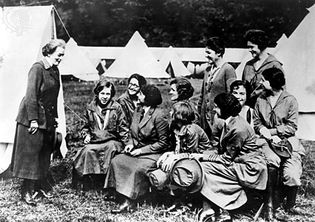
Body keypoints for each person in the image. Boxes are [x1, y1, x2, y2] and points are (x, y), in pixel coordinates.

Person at [190, 93, 268, 221]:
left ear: (224, 109)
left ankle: (221, 205)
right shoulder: (232, 121)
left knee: (204, 167)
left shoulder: (238, 129)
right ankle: (216, 205)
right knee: (205, 166)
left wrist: (201, 156)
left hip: (250, 169)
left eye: (217, 107)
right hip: (240, 163)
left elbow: (226, 159)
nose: (214, 110)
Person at [10, 39, 66, 206]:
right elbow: (31, 96)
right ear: (49, 53)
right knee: (31, 155)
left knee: (43, 152)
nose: (61, 58)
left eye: (63, 55)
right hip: (31, 118)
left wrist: (54, 116)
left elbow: (53, 97)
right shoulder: (37, 68)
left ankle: (39, 186)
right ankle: (26, 191)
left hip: (47, 117)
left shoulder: (55, 70)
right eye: (59, 55)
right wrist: (33, 120)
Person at [105, 84, 170, 213]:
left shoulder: (159, 115)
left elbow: (163, 143)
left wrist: (141, 151)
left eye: (140, 93)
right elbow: (132, 132)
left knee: (136, 168)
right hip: (137, 149)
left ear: (148, 98)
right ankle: (117, 192)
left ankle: (129, 202)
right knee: (117, 160)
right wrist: (130, 144)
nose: (138, 95)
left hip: (153, 153)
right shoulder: (138, 110)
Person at [253, 67, 305, 219]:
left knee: (292, 173)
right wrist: (264, 131)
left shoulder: (290, 100)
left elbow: (292, 126)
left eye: (264, 80)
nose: (261, 82)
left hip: (287, 141)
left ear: (271, 82)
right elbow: (257, 122)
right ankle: (270, 203)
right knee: (271, 162)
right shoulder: (261, 99)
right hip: (265, 140)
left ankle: (290, 205)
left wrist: (274, 132)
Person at [72, 80, 129, 189]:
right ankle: (88, 180)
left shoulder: (116, 107)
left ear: (111, 95)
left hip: (112, 141)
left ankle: (108, 183)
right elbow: (84, 126)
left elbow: (123, 128)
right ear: (97, 93)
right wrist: (86, 135)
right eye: (102, 93)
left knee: (111, 149)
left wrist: (127, 145)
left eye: (108, 94)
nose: (105, 97)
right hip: (95, 141)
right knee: (87, 151)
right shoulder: (90, 108)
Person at [149, 101, 211, 189]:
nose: (170, 112)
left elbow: (192, 153)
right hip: (184, 154)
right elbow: (175, 147)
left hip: (199, 156)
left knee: (176, 166)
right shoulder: (174, 127)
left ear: (179, 115)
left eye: (172, 111)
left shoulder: (192, 130)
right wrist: (169, 154)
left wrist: (175, 157)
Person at [197, 37, 236, 138]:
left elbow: (231, 96)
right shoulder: (207, 70)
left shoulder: (228, 69)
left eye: (209, 53)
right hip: (204, 118)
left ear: (218, 52)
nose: (206, 56)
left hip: (219, 118)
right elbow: (202, 94)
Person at [242, 29, 283, 108]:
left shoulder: (274, 65)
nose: (249, 50)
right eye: (248, 47)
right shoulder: (248, 66)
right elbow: (243, 90)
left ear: (261, 45)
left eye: (252, 47)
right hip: (249, 110)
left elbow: (281, 94)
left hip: (267, 110)